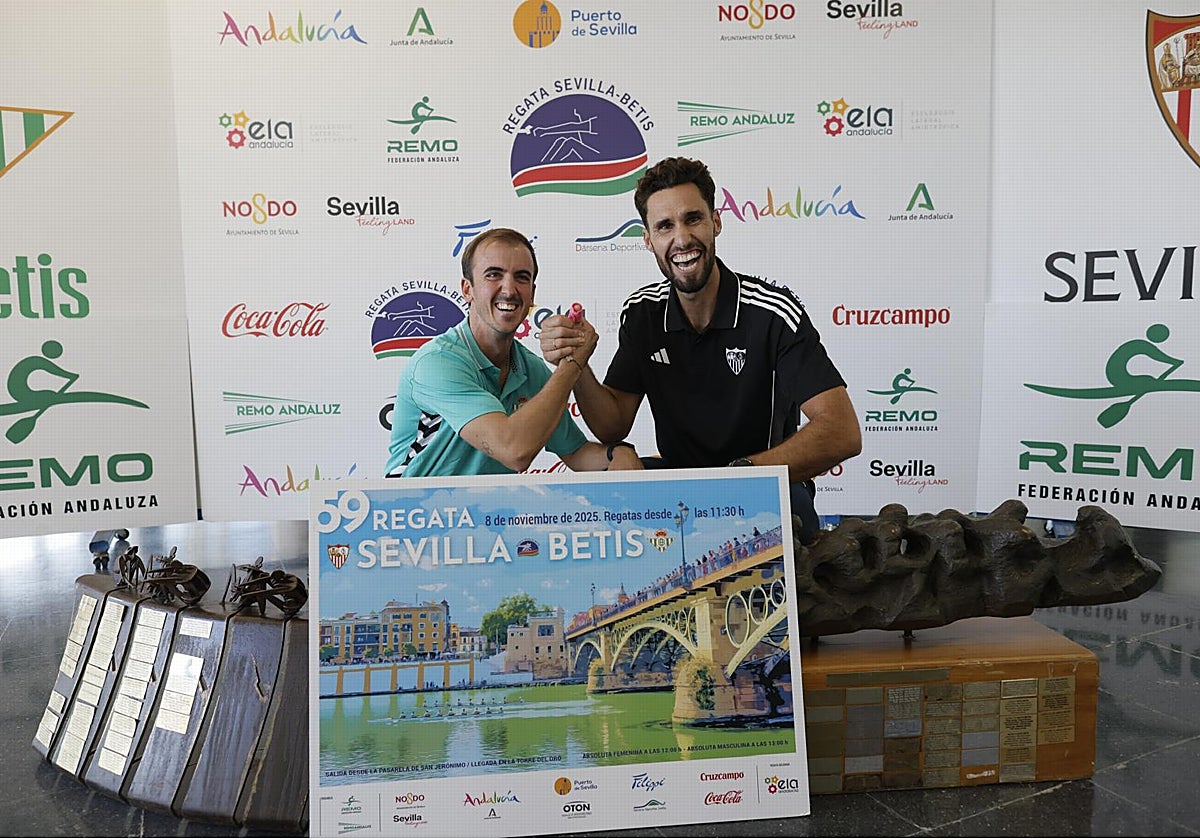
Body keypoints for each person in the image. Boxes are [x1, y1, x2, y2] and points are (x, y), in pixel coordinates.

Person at [538, 157, 861, 542]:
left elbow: (842, 432)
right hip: (680, 490)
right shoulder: (642, 313)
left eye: (693, 219)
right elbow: (613, 424)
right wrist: (577, 364)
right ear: (647, 239)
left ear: (716, 223)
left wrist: (738, 473)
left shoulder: (773, 313)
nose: (682, 239)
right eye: (664, 226)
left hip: (764, 487)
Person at [385, 227, 642, 476]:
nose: (509, 290)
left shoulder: (530, 369)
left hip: (490, 514)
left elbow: (576, 452)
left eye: (521, 277)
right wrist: (573, 363)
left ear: (532, 294)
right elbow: (514, 451)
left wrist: (616, 454)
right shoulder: (438, 362)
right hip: (417, 514)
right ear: (467, 289)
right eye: (493, 275)